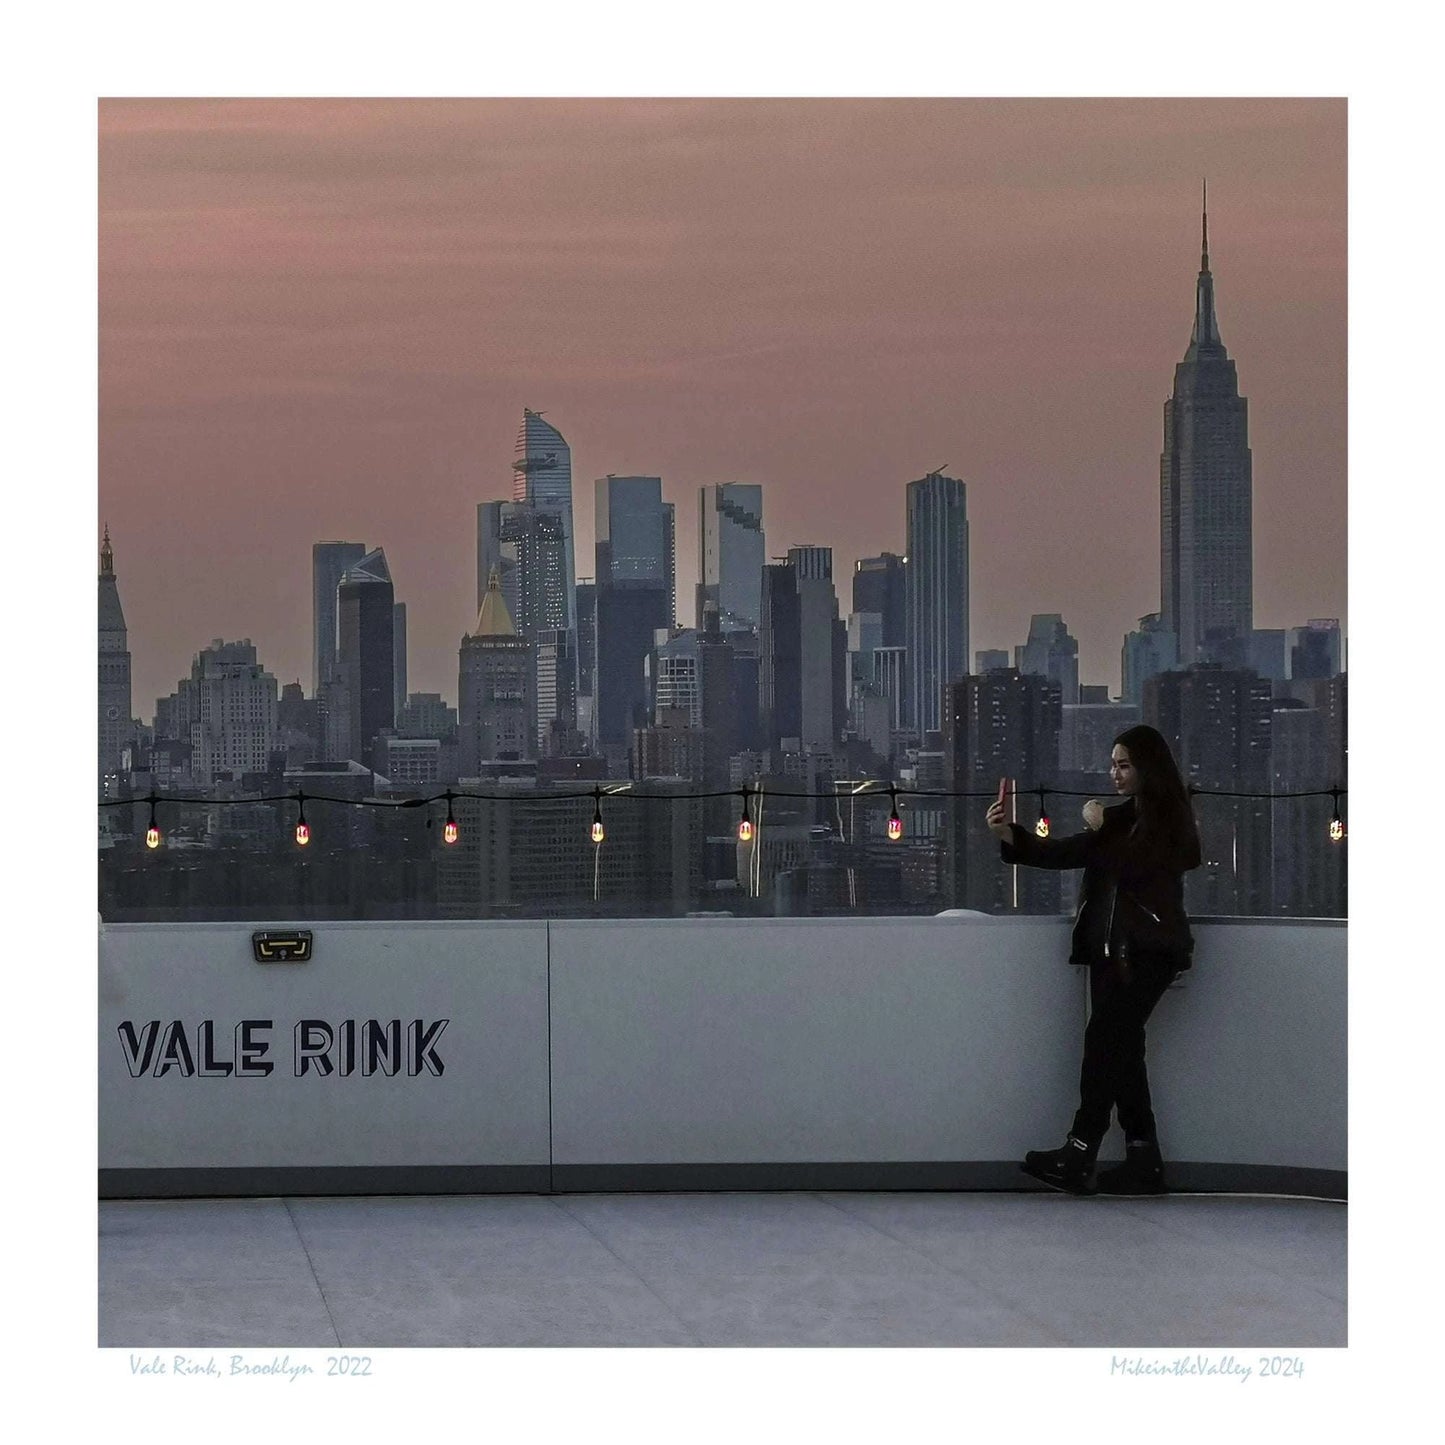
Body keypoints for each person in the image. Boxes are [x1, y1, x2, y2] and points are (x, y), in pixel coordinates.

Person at [985, 724, 1201, 1196]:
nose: (1115, 773)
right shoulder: (1121, 821)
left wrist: (1102, 830)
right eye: (1114, 764)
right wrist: (1011, 836)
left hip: (1146, 951)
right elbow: (1069, 852)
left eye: (1124, 765)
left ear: (1148, 767)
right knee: (1122, 1049)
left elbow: (1160, 860)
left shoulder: (1170, 819)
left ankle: (1080, 1151)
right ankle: (1143, 1160)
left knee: (1106, 1041)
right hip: (1113, 948)